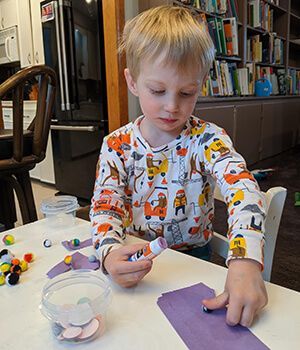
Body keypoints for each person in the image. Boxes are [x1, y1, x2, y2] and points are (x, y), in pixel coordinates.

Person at [90, 5, 267, 327]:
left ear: (200, 84)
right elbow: (106, 203)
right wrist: (108, 250)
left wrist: (246, 259)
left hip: (192, 258)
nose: (172, 106)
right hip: (133, 253)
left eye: (187, 92)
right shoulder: (115, 144)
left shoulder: (208, 139)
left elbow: (244, 189)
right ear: (132, 81)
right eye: (157, 91)